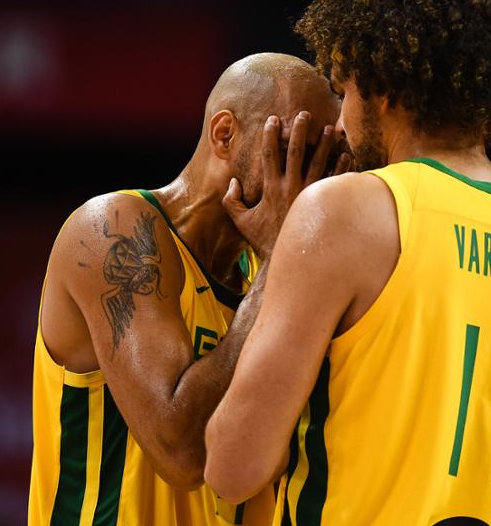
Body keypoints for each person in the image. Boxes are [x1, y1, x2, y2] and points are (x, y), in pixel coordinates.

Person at [205, 0, 491, 526]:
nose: (340, 122)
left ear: (383, 85)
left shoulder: (346, 212)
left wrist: (276, 257)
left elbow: (233, 465)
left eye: (344, 91)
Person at [28, 52, 348, 526]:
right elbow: (181, 451)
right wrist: (278, 263)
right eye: (296, 148)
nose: (310, 179)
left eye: (328, 160)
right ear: (225, 134)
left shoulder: (270, 273)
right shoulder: (113, 230)